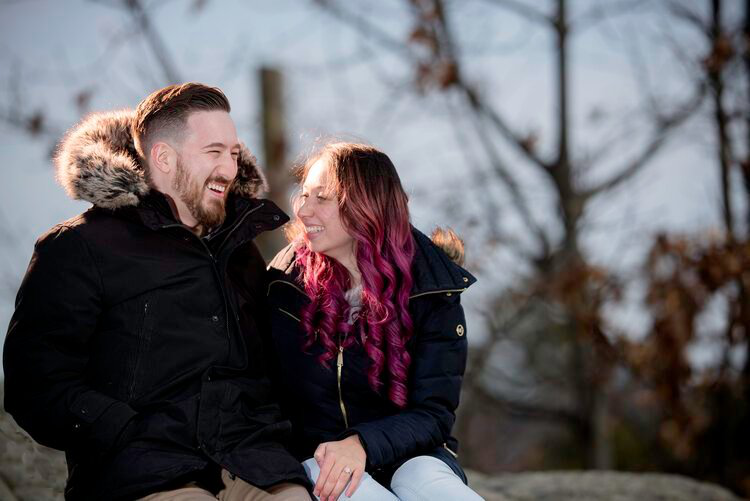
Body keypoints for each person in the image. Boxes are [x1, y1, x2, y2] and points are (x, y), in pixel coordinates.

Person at [3, 83, 311, 501]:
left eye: (234, 154)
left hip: (255, 464)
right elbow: (35, 383)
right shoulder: (80, 247)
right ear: (164, 158)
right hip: (144, 475)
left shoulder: (240, 250)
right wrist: (124, 430)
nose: (229, 169)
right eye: (213, 152)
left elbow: (278, 367)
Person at [266, 142, 484, 500]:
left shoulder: (432, 288)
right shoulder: (284, 283)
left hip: (411, 454)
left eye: (322, 198)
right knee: (346, 485)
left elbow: (433, 413)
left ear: (367, 206)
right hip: (317, 457)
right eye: (303, 195)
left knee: (437, 488)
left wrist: (363, 443)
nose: (303, 210)